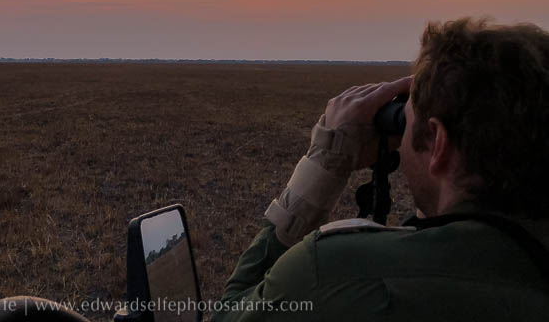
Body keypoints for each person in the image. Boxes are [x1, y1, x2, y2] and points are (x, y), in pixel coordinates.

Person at [212, 18, 549, 321]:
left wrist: (325, 161)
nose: (401, 142)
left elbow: (228, 315)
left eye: (407, 122)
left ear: (438, 143)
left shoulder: (334, 274)